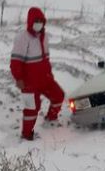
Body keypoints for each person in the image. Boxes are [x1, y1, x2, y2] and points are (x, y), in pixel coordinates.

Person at [10, 7, 65, 140]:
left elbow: (45, 59)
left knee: (58, 95)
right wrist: (19, 79)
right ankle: (27, 135)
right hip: (29, 82)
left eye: (41, 21)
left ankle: (51, 119)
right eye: (36, 20)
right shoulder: (22, 37)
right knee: (31, 109)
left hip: (45, 79)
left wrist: (49, 74)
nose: (39, 23)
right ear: (30, 21)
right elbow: (16, 61)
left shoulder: (44, 37)